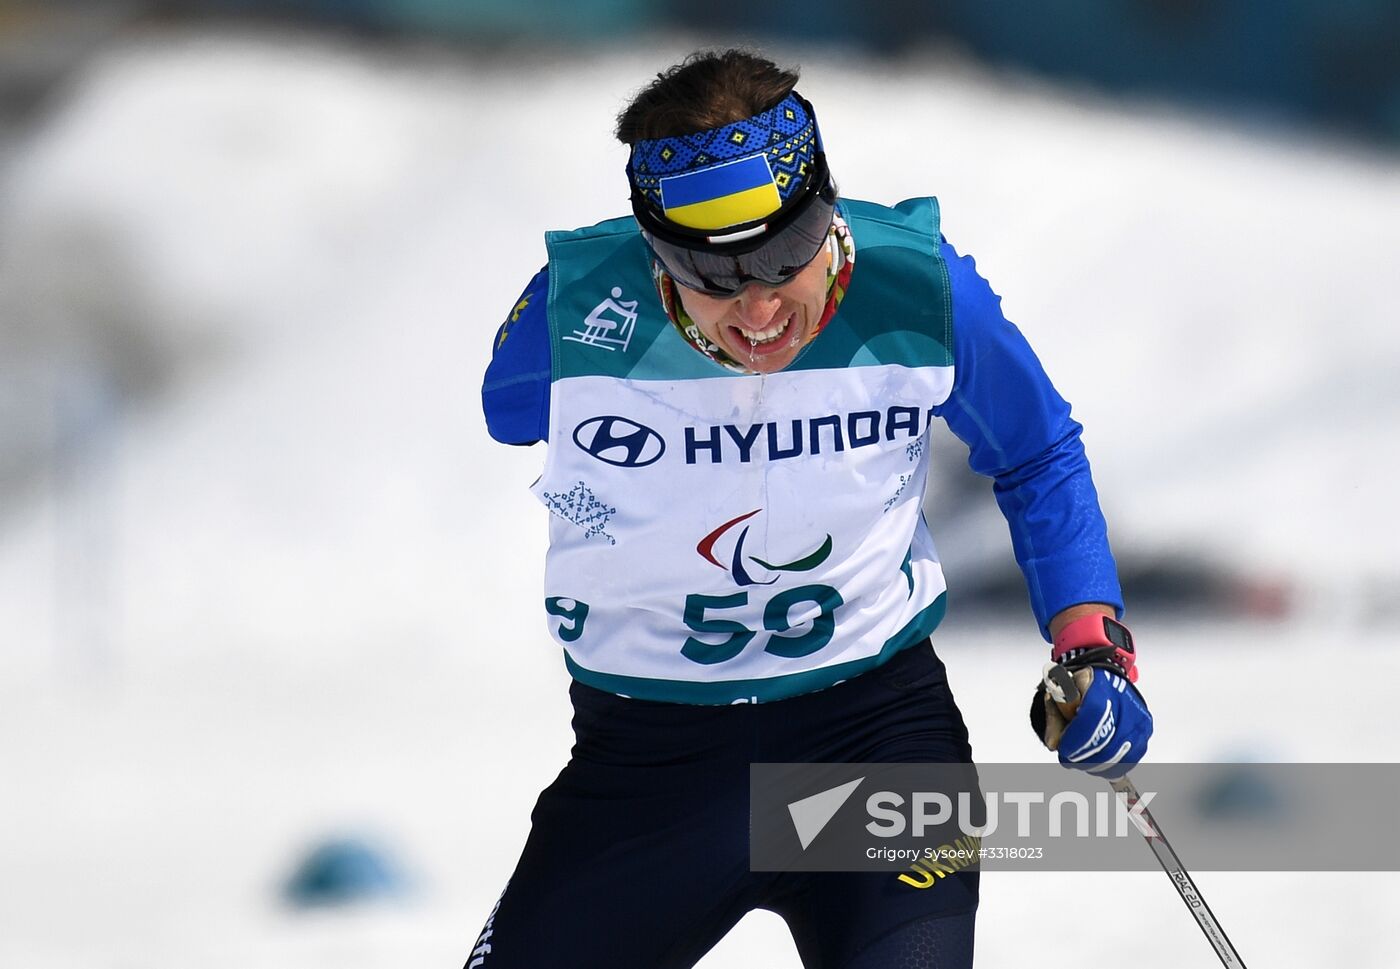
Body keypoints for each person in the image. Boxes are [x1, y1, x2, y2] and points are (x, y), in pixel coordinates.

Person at [471, 48, 1153, 969]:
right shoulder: (583, 307)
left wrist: (1089, 636)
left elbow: (1036, 449)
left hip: (875, 742)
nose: (757, 309)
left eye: (785, 255)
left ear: (827, 208)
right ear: (656, 253)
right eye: (713, 273)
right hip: (645, 769)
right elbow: (503, 408)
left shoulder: (919, 288)